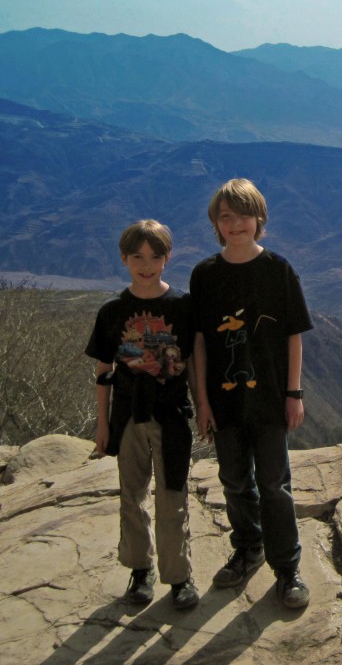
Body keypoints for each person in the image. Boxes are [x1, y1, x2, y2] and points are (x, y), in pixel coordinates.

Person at [190, 178, 314, 609]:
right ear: (216, 224)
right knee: (234, 481)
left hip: (270, 399)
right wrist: (202, 402)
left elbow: (295, 335)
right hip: (223, 402)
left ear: (259, 219)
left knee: (274, 483)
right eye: (226, 216)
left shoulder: (278, 269)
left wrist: (293, 393)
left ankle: (288, 569)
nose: (235, 223)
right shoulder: (205, 276)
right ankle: (248, 548)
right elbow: (201, 341)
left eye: (243, 214)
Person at [86, 219, 199, 610]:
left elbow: (194, 361)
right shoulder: (112, 312)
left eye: (155, 256)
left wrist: (204, 410)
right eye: (138, 257)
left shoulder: (182, 307)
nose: (146, 265)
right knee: (132, 497)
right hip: (128, 415)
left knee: (173, 497)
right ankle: (140, 570)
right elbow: (103, 373)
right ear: (124, 259)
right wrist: (103, 426)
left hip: (171, 415)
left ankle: (180, 577)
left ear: (167, 259)